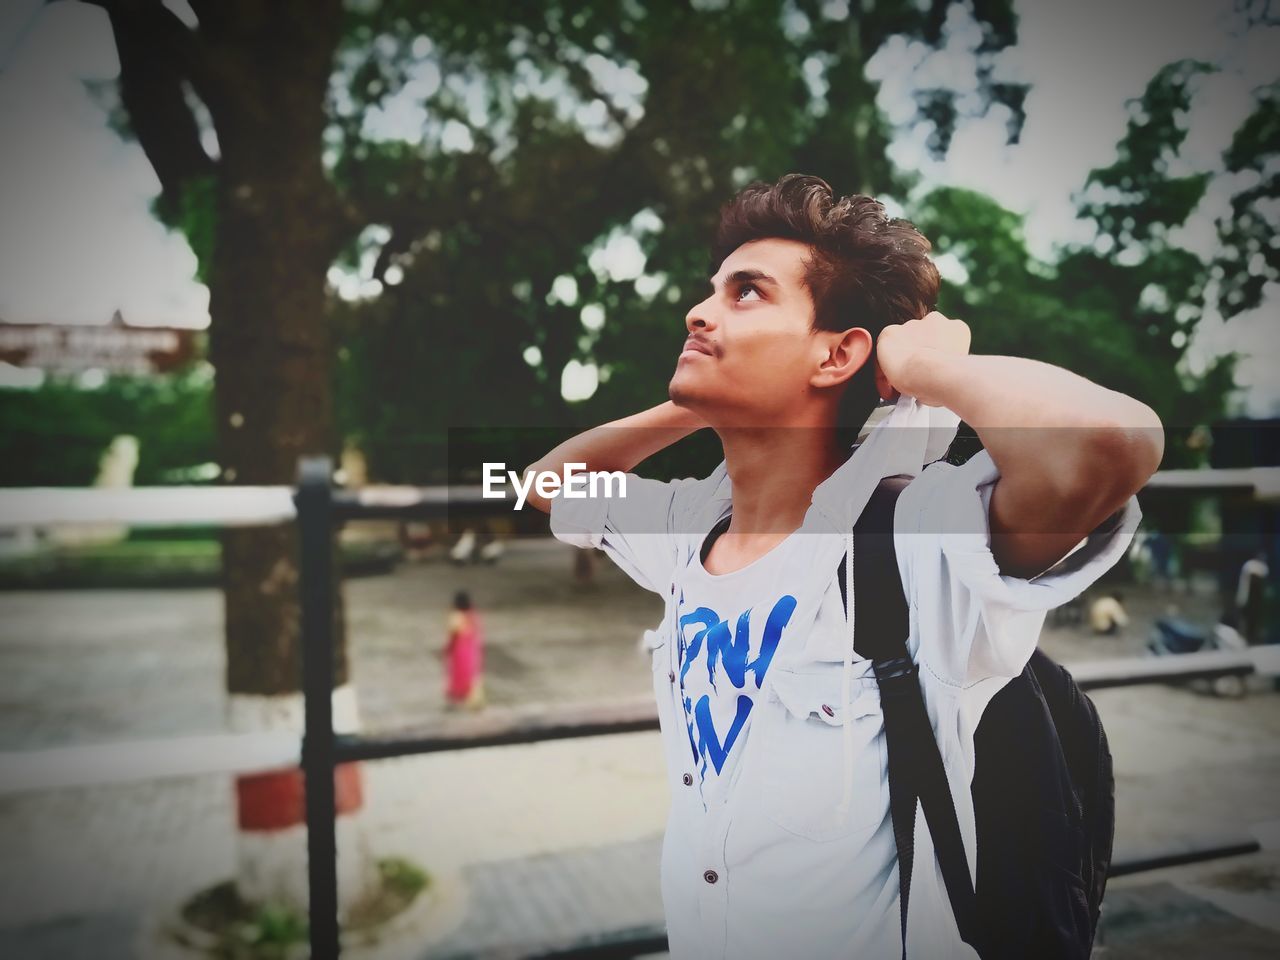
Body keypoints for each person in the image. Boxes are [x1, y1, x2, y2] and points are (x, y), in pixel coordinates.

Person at [522, 175, 1160, 958]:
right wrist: (698, 392)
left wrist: (920, 365)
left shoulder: (916, 541)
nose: (698, 310)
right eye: (710, 292)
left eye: (746, 293)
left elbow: (1112, 445)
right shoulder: (694, 527)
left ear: (838, 354)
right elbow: (542, 486)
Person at [442, 590, 486, 710]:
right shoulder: (473, 614)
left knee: (457, 674)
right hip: (472, 648)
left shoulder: (456, 616)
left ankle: (455, 699)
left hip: (459, 649)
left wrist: (448, 648)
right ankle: (474, 699)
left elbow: (453, 634)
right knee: (471, 673)